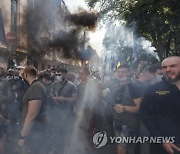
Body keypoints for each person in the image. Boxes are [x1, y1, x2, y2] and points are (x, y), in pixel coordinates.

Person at [141, 56, 180, 154]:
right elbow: (146, 116)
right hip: (165, 146)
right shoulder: (152, 90)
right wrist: (162, 140)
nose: (168, 70)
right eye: (164, 67)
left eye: (173, 66)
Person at [107, 64, 142, 154]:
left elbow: (140, 108)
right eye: (118, 72)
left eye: (123, 72)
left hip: (128, 124)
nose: (120, 74)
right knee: (121, 147)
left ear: (129, 73)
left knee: (121, 150)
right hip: (116, 120)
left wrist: (125, 108)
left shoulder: (133, 87)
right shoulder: (115, 85)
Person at [18, 66, 49, 154]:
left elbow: (32, 114)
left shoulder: (35, 87)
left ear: (26, 74)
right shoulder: (37, 85)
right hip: (35, 131)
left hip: (35, 132)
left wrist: (22, 136)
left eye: (23, 74)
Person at [50, 68, 77, 154]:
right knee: (55, 131)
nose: (58, 76)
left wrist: (63, 99)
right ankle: (56, 148)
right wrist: (54, 97)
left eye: (60, 75)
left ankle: (65, 149)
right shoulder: (55, 84)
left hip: (67, 112)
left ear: (65, 74)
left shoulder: (72, 86)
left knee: (65, 132)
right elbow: (51, 93)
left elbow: (74, 99)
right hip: (56, 111)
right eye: (57, 75)